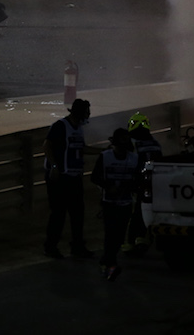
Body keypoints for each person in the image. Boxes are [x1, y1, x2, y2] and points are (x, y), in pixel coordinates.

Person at [43, 98, 93, 260]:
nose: (89, 115)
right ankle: (51, 247)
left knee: (78, 213)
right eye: (87, 112)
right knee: (58, 213)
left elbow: (82, 148)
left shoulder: (78, 128)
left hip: (73, 176)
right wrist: (55, 167)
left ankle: (77, 246)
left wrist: (104, 150)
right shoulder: (60, 126)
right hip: (60, 177)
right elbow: (47, 146)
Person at [91, 127, 139, 281]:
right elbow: (95, 177)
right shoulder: (105, 157)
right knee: (111, 235)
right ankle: (110, 264)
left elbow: (138, 180)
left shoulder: (134, 159)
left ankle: (106, 262)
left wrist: (128, 187)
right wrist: (108, 187)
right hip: (109, 203)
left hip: (125, 203)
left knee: (118, 237)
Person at [124, 111, 162, 253]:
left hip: (139, 182)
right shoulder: (155, 143)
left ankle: (132, 241)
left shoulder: (132, 144)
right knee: (149, 210)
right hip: (156, 182)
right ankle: (144, 238)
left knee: (137, 211)